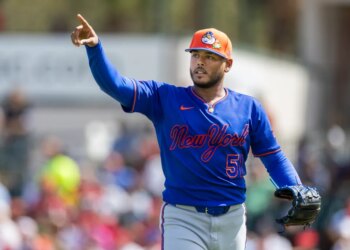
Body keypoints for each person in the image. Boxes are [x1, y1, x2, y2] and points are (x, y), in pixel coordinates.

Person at [71, 14, 303, 250]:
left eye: (210, 57)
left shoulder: (249, 108)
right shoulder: (165, 98)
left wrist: (296, 188)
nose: (200, 62)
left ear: (228, 64)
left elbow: (273, 157)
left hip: (232, 218)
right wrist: (94, 48)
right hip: (184, 218)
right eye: (195, 55)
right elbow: (115, 85)